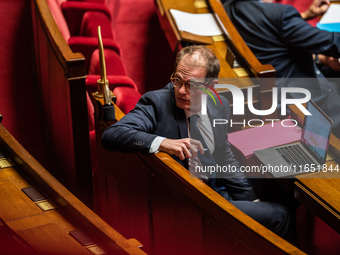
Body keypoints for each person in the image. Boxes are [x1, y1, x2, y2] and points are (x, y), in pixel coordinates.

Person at [102, 45, 294, 239]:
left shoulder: (219, 104)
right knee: (280, 215)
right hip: (194, 200)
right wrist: (163, 142)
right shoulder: (156, 103)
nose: (182, 91)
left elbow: (224, 155)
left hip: (216, 183)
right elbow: (113, 134)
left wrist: (250, 200)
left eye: (192, 85)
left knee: (282, 192)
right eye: (177, 80)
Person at [224, 0, 340, 137]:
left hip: (278, 91)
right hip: (304, 100)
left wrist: (305, 15)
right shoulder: (281, 14)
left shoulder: (231, 5)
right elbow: (333, 43)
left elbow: (269, 26)